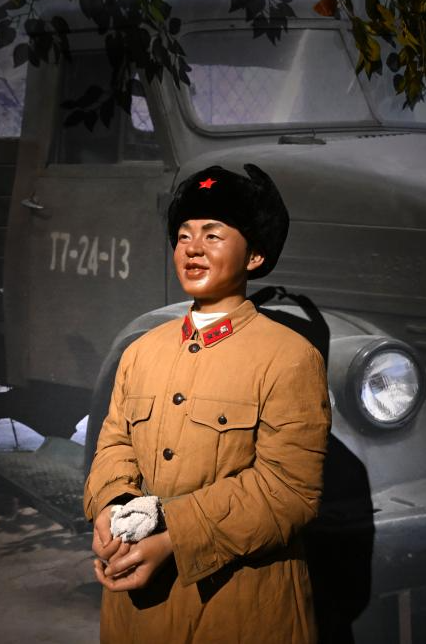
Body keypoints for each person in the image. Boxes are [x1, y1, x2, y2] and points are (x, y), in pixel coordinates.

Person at [83, 164, 332, 644]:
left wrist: (173, 537)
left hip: (240, 609)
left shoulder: (290, 357)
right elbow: (114, 445)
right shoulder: (141, 352)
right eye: (183, 236)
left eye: (213, 235)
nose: (192, 248)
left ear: (255, 255)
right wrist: (112, 508)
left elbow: (289, 490)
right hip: (139, 609)